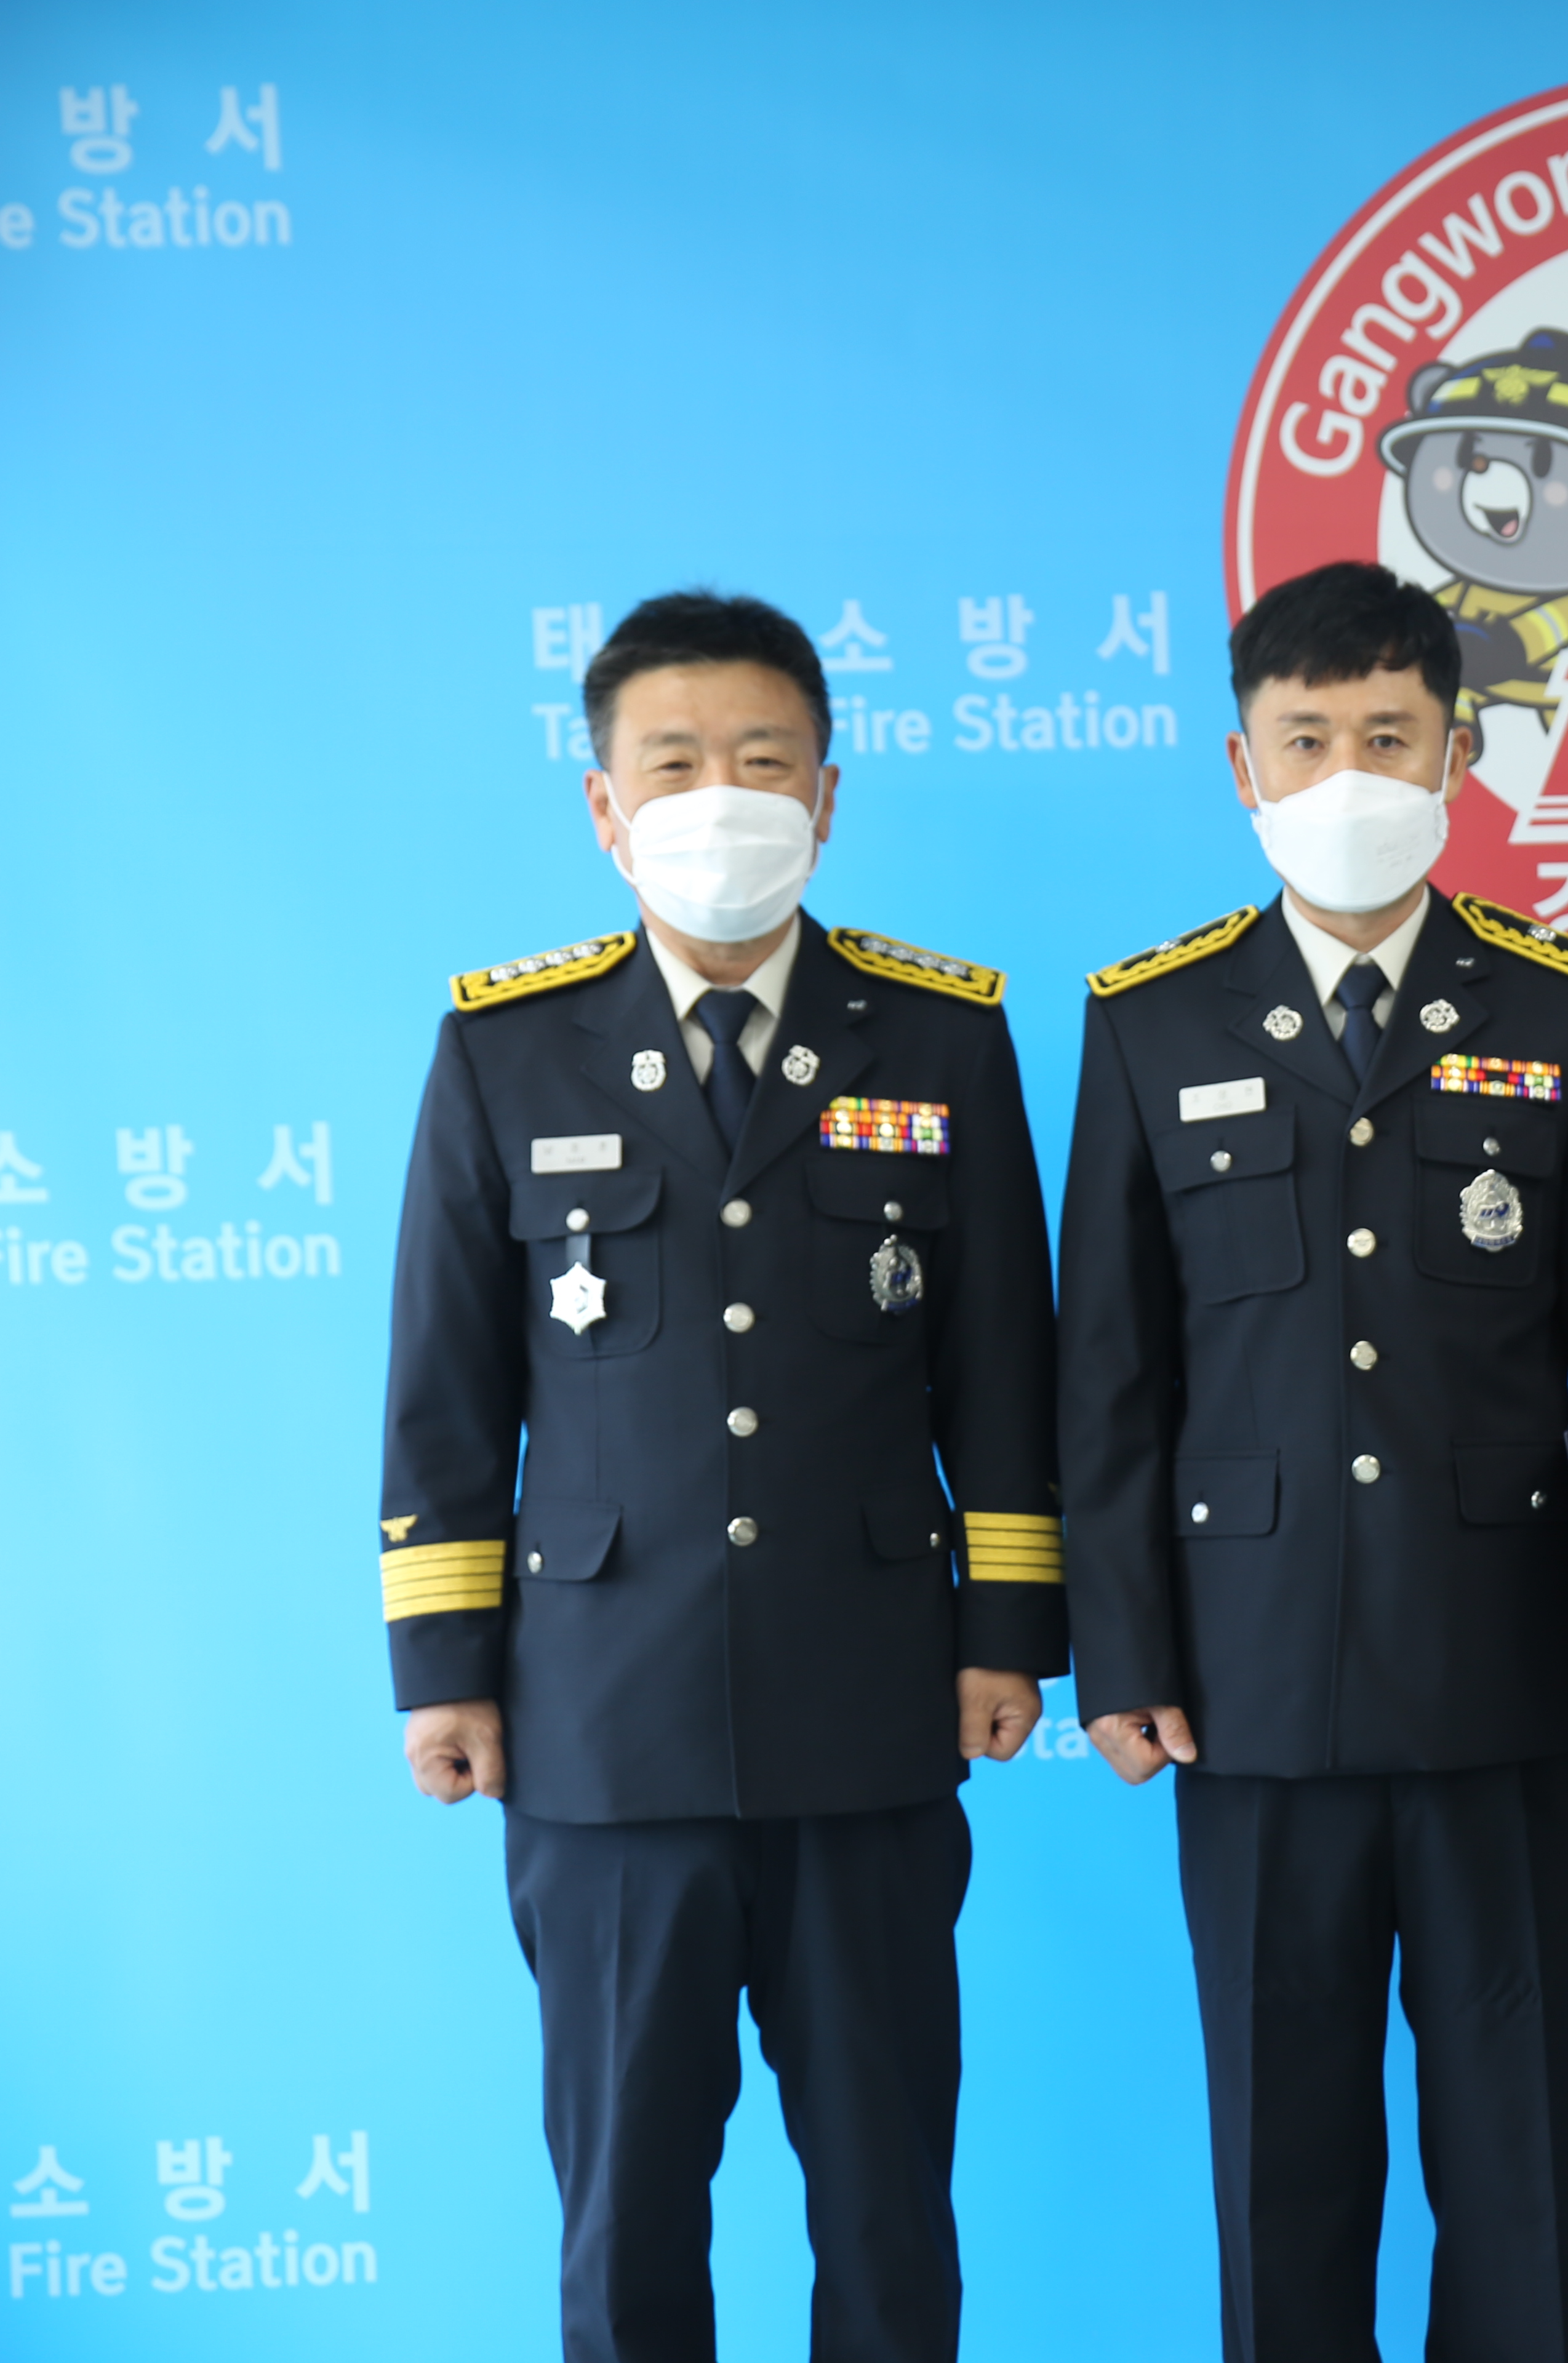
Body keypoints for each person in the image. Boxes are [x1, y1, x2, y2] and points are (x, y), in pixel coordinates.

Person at [378, 591, 1063, 2361]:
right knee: (626, 2218)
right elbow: (448, 1395)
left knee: (890, 2212)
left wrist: (1009, 1628)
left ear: (826, 795)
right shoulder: (505, 1046)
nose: (721, 797)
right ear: (604, 807)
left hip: (870, 1713)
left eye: (763, 761)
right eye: (673, 763)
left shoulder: (940, 1034)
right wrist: (445, 1668)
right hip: (605, 1729)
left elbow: (1004, 1366)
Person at [1057, 560, 1568, 2363]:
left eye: (1390, 737)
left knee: (1521, 2163)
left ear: (1458, 757)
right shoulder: (1153, 1016)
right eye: (1308, 738)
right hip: (1245, 1690)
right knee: (1285, 2163)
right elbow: (1110, 1374)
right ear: (1244, 766)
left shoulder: (1563, 1006)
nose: (1349, 773)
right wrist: (1120, 1652)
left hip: (1508, 1666)